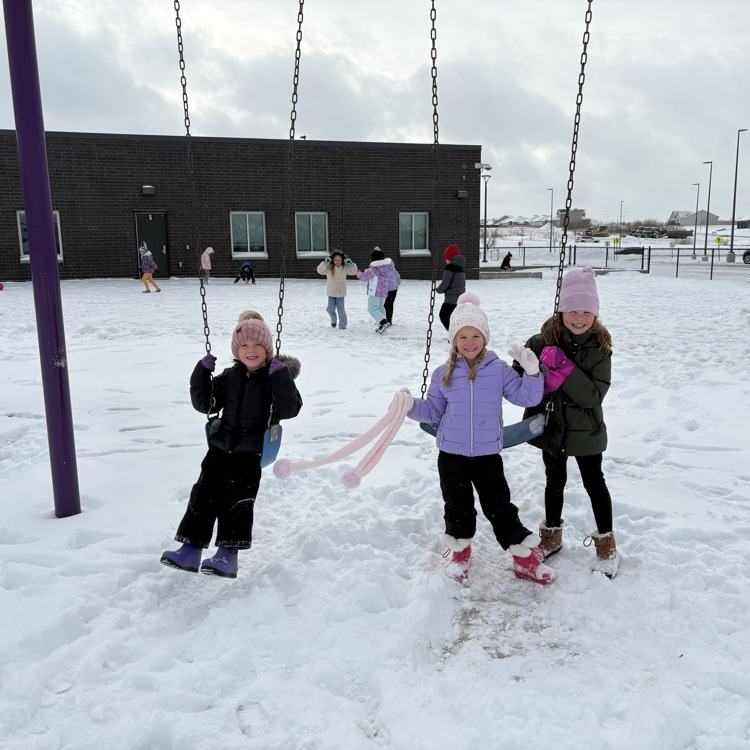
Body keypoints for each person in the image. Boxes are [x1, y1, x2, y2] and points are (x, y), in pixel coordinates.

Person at [403, 292, 556, 585]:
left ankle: (524, 560)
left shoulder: (497, 370)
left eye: (475, 335)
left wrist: (532, 373)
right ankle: (459, 554)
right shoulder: (442, 374)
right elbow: (433, 410)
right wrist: (410, 405)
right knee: (457, 506)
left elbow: (525, 396)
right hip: (451, 455)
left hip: (487, 455)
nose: (469, 342)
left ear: (485, 337)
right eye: (462, 336)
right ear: (454, 340)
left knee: (500, 507)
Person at [160, 310, 303, 578]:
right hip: (219, 447)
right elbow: (205, 403)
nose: (251, 351)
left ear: (267, 349)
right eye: (244, 346)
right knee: (202, 494)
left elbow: (289, 408)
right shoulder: (229, 377)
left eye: (258, 345)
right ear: (237, 350)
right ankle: (190, 549)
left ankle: (228, 555)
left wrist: (282, 377)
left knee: (236, 500)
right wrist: (200, 374)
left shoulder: (274, 377)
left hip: (249, 452)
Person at [513, 266, 617, 578]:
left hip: (586, 430)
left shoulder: (600, 349)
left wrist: (566, 370)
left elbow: (592, 397)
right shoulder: (541, 341)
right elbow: (518, 381)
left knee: (594, 483)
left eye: (587, 311)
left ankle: (606, 544)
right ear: (561, 311)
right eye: (572, 310)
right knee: (553, 482)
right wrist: (528, 370)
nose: (579, 318)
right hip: (552, 426)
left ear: (595, 314)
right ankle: (552, 533)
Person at [316, 249, 358, 329]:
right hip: (331, 292)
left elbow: (354, 272)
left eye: (339, 260)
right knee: (330, 309)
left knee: (341, 310)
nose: (337, 262)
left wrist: (351, 264)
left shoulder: (345, 267)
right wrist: (325, 263)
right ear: (332, 260)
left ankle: (343, 324)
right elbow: (319, 271)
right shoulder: (329, 267)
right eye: (335, 260)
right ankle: (333, 320)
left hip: (341, 293)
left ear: (342, 260)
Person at [356, 248, 393, 333]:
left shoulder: (374, 268)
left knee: (372, 308)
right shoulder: (386, 267)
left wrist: (358, 273)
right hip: (384, 292)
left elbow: (364, 276)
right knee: (380, 308)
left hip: (375, 291)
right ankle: (382, 327)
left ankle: (383, 323)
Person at [436, 244, 466, 330]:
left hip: (451, 300)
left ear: (449, 258)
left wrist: (438, 290)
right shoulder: (460, 268)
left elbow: (445, 283)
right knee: (455, 318)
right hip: (460, 298)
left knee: (443, 315)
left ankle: (454, 334)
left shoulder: (449, 268)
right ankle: (457, 334)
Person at [383, 249, 401, 324]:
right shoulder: (393, 270)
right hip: (394, 289)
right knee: (391, 304)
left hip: (388, 289)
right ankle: (390, 318)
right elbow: (398, 278)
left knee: (386, 304)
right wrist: (397, 284)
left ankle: (387, 319)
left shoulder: (383, 271)